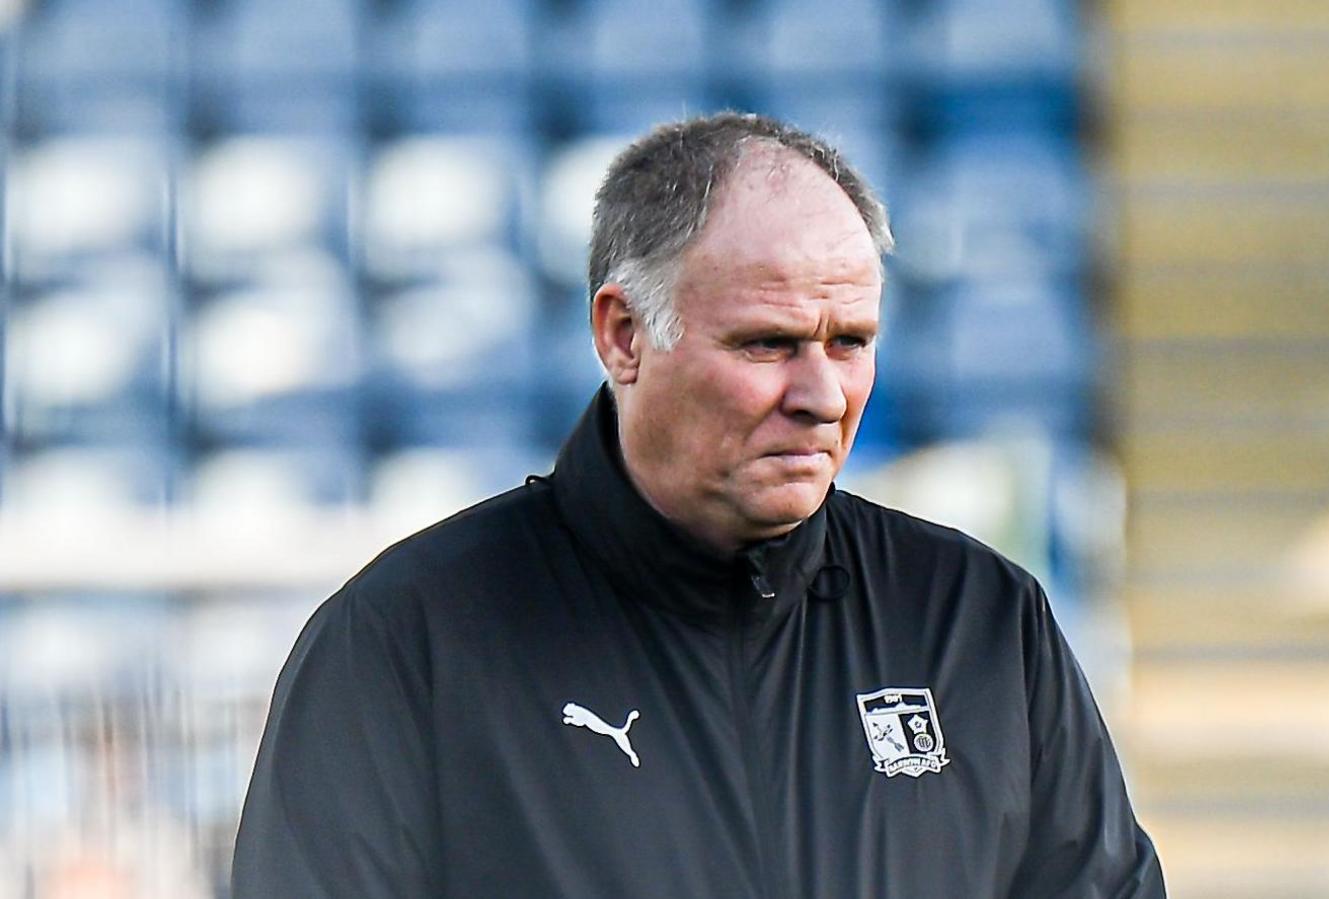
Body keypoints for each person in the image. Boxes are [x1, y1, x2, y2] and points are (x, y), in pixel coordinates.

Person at [231, 112, 1165, 898]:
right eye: (768, 344)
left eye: (850, 341)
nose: (823, 395)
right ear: (623, 335)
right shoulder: (404, 642)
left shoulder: (981, 621)